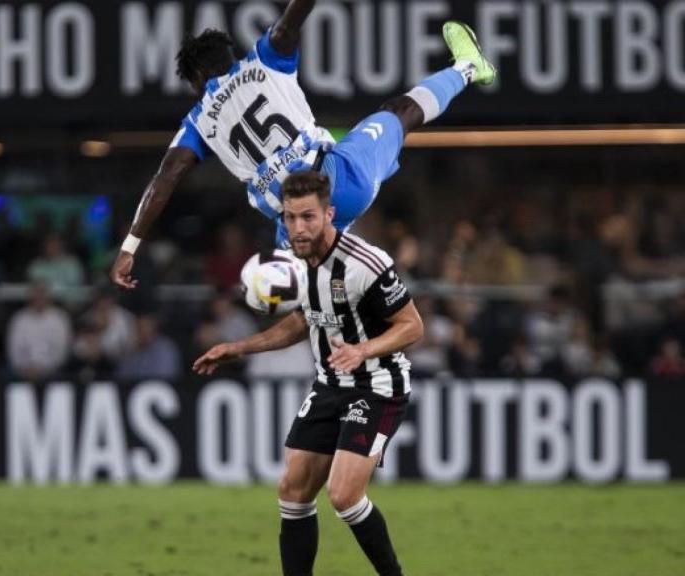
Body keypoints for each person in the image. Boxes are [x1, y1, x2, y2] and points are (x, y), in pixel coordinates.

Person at [111, 2, 496, 287]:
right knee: (400, 112)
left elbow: (165, 179)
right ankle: (467, 66)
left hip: (293, 230)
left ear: (197, 78)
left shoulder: (196, 121)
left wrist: (130, 246)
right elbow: (292, 18)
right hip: (337, 181)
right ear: (230, 56)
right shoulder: (263, 58)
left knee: (306, 306)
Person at [193, 171, 423, 576]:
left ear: (329, 214)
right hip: (329, 384)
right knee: (293, 491)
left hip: (377, 385)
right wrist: (240, 348)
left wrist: (362, 349)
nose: (299, 227)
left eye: (308, 217)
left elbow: (412, 326)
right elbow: (304, 321)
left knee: (344, 495)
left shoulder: (363, 264)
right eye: (291, 217)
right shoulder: (295, 264)